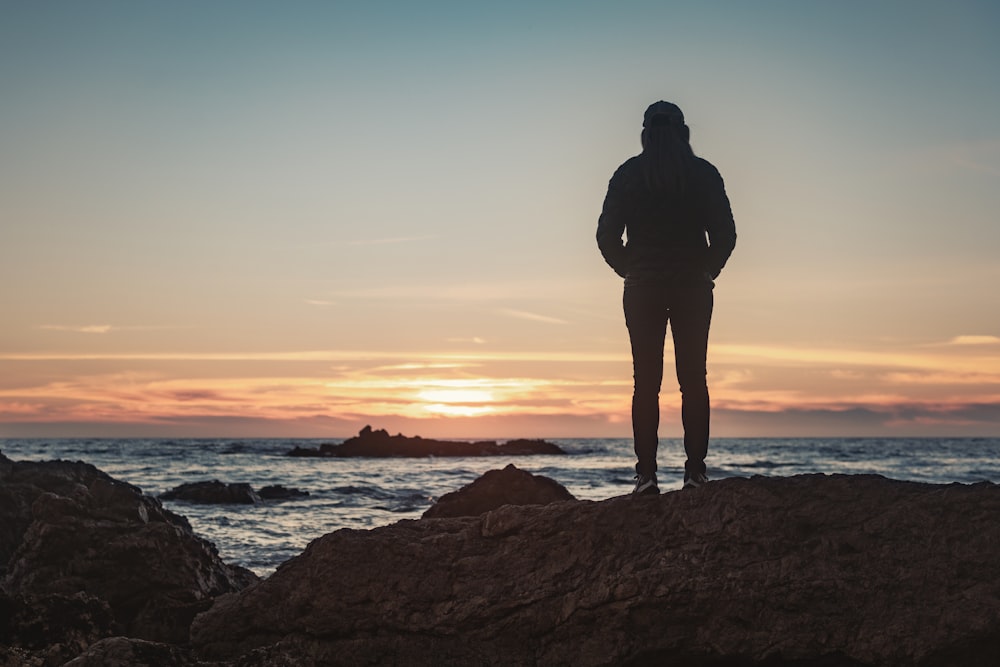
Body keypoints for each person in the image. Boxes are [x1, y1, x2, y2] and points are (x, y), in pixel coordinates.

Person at [597, 101, 736, 495]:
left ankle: (646, 476)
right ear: (683, 131)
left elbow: (606, 236)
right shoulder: (703, 174)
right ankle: (695, 473)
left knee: (646, 383)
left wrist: (631, 269)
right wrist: (706, 271)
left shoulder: (628, 174)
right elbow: (725, 235)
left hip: (643, 289)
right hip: (692, 287)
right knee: (694, 380)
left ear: (645, 132)